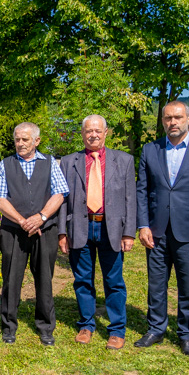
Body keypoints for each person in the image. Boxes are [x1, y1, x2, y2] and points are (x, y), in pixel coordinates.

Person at [135, 101, 189, 356]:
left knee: (187, 286)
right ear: (162, 121)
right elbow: (142, 191)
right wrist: (143, 225)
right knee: (156, 284)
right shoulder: (150, 150)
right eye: (167, 118)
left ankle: (186, 334)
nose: (172, 122)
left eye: (177, 117)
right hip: (157, 230)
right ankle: (156, 328)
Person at [58, 115, 135, 350]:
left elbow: (130, 198)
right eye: (88, 131)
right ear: (82, 134)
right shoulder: (69, 161)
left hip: (110, 227)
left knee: (114, 281)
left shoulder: (123, 160)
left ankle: (116, 330)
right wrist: (63, 232)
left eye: (97, 131)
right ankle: (86, 325)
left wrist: (128, 233)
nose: (93, 135)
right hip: (79, 226)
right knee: (82, 280)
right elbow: (62, 200)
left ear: (106, 132)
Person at [0, 122, 68, 345]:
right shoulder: (5, 164)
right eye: (17, 139)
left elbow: (60, 193)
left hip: (44, 230)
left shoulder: (50, 164)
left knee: (45, 278)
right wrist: (22, 220)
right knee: (11, 278)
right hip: (13, 231)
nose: (20, 143)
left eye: (25, 139)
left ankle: (45, 326)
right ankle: (8, 325)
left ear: (37, 141)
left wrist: (41, 217)